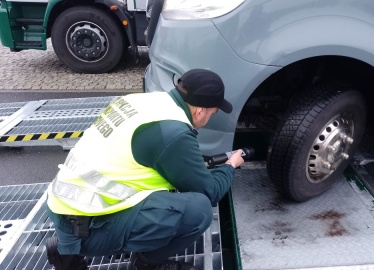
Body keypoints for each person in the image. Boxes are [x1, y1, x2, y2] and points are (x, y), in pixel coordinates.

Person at [45, 69, 245, 270]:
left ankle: (66, 251)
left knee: (173, 193)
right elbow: (209, 192)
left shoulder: (143, 102)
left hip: (65, 205)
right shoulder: (173, 133)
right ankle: (147, 264)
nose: (210, 117)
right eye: (213, 112)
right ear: (200, 110)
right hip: (87, 225)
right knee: (198, 210)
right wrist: (229, 166)